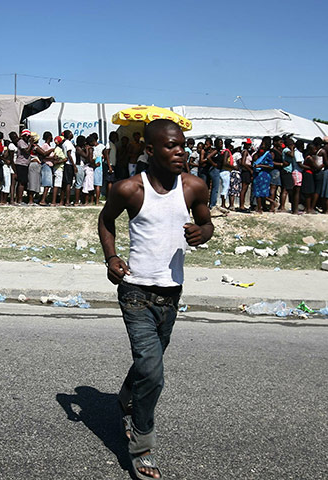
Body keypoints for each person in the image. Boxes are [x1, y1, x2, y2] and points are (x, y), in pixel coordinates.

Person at [98, 119, 213, 480]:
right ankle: (141, 445)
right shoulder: (130, 189)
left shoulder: (195, 187)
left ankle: (125, 395)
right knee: (153, 370)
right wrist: (112, 258)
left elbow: (208, 225)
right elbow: (105, 220)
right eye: (171, 146)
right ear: (151, 150)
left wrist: (202, 233)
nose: (181, 151)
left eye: (183, 145)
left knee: (152, 361)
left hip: (171, 292)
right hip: (135, 291)